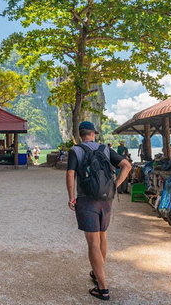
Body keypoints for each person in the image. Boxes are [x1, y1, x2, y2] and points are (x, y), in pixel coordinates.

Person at [66, 121, 131, 301]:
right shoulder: (106, 149)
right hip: (106, 200)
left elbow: (70, 174)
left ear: (80, 135)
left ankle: (102, 288)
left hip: (87, 200)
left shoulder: (76, 150)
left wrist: (71, 197)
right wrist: (114, 186)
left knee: (93, 242)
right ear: (94, 133)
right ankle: (97, 272)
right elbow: (127, 165)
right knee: (103, 237)